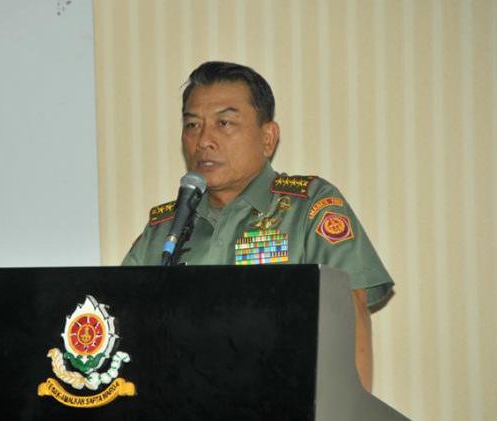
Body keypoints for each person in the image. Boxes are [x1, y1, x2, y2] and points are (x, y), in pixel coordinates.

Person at [122, 61, 394, 392]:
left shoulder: (309, 208)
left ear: (268, 138)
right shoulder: (164, 230)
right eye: (192, 125)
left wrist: (350, 410)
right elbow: (122, 321)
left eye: (224, 123)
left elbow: (350, 312)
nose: (204, 140)